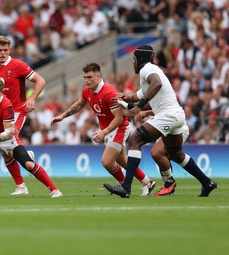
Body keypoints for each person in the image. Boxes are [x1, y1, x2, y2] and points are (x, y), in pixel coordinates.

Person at [104, 45, 217, 198]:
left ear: (140, 59)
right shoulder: (150, 72)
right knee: (176, 154)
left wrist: (139, 107)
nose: (133, 63)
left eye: (134, 59)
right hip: (176, 115)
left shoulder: (147, 69)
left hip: (168, 115)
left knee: (135, 139)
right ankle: (207, 182)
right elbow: (138, 96)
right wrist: (124, 98)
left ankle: (126, 187)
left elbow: (156, 84)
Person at [51, 63, 156, 196]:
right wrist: (62, 115)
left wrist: (103, 132)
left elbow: (119, 118)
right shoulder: (87, 91)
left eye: (89, 77)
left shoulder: (109, 92)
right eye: (84, 77)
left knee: (107, 162)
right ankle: (147, 182)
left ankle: (124, 186)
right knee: (124, 162)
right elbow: (79, 104)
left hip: (119, 128)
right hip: (107, 129)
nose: (86, 80)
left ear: (98, 75)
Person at [0, 79, 63, 198]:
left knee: (29, 165)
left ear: (2, 92)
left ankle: (55, 190)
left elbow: (9, 133)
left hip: (8, 141)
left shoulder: (7, 105)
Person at [0, 35, 46, 195]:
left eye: (5, 50)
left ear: (10, 50)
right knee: (6, 151)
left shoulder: (18, 65)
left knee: (9, 137)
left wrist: (32, 99)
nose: (3, 53)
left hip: (17, 111)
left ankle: (26, 156)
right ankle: (21, 186)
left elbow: (41, 81)